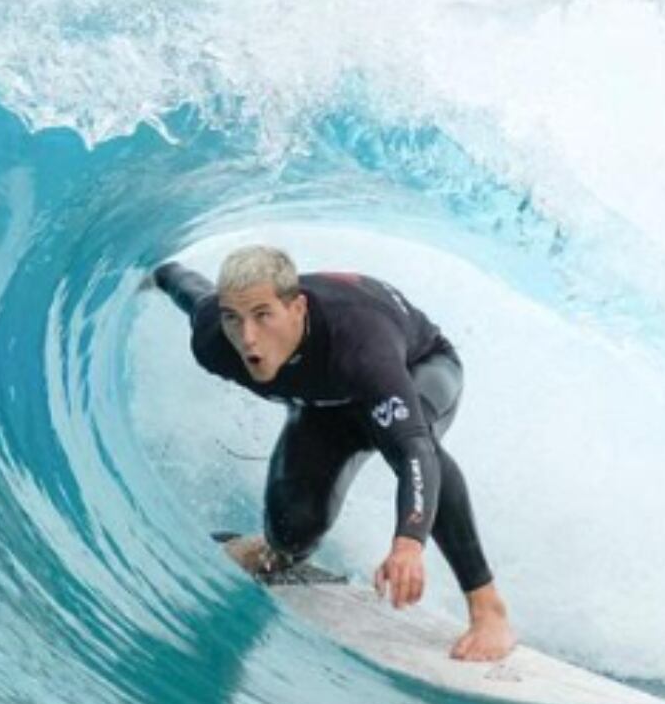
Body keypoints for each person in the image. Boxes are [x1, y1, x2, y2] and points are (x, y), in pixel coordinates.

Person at [151, 245, 517, 662]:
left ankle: (487, 606)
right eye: (234, 318)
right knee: (292, 531)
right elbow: (188, 288)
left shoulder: (362, 347)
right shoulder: (216, 337)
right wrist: (160, 271)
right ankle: (276, 552)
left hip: (418, 368)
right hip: (326, 404)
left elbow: (413, 450)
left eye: (263, 316)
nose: (247, 336)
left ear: (297, 308)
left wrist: (408, 544)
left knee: (417, 440)